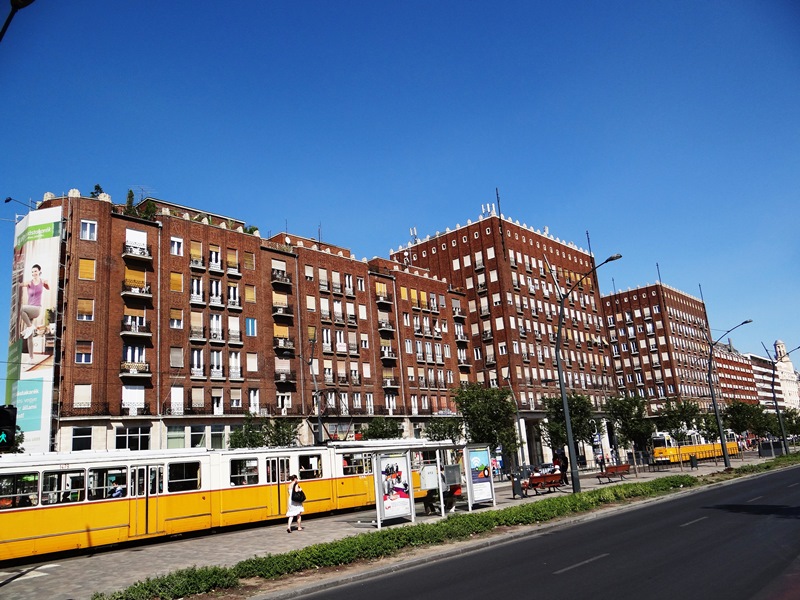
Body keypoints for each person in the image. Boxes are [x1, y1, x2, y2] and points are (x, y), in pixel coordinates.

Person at [20, 264, 50, 358]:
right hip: (29, 310)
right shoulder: (29, 283)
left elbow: (48, 288)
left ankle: (30, 326)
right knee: (30, 336)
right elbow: (20, 284)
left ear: (39, 272)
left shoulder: (42, 281)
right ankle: (31, 358)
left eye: (35, 271)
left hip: (36, 309)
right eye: (32, 271)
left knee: (21, 308)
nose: (34, 273)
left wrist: (46, 282)